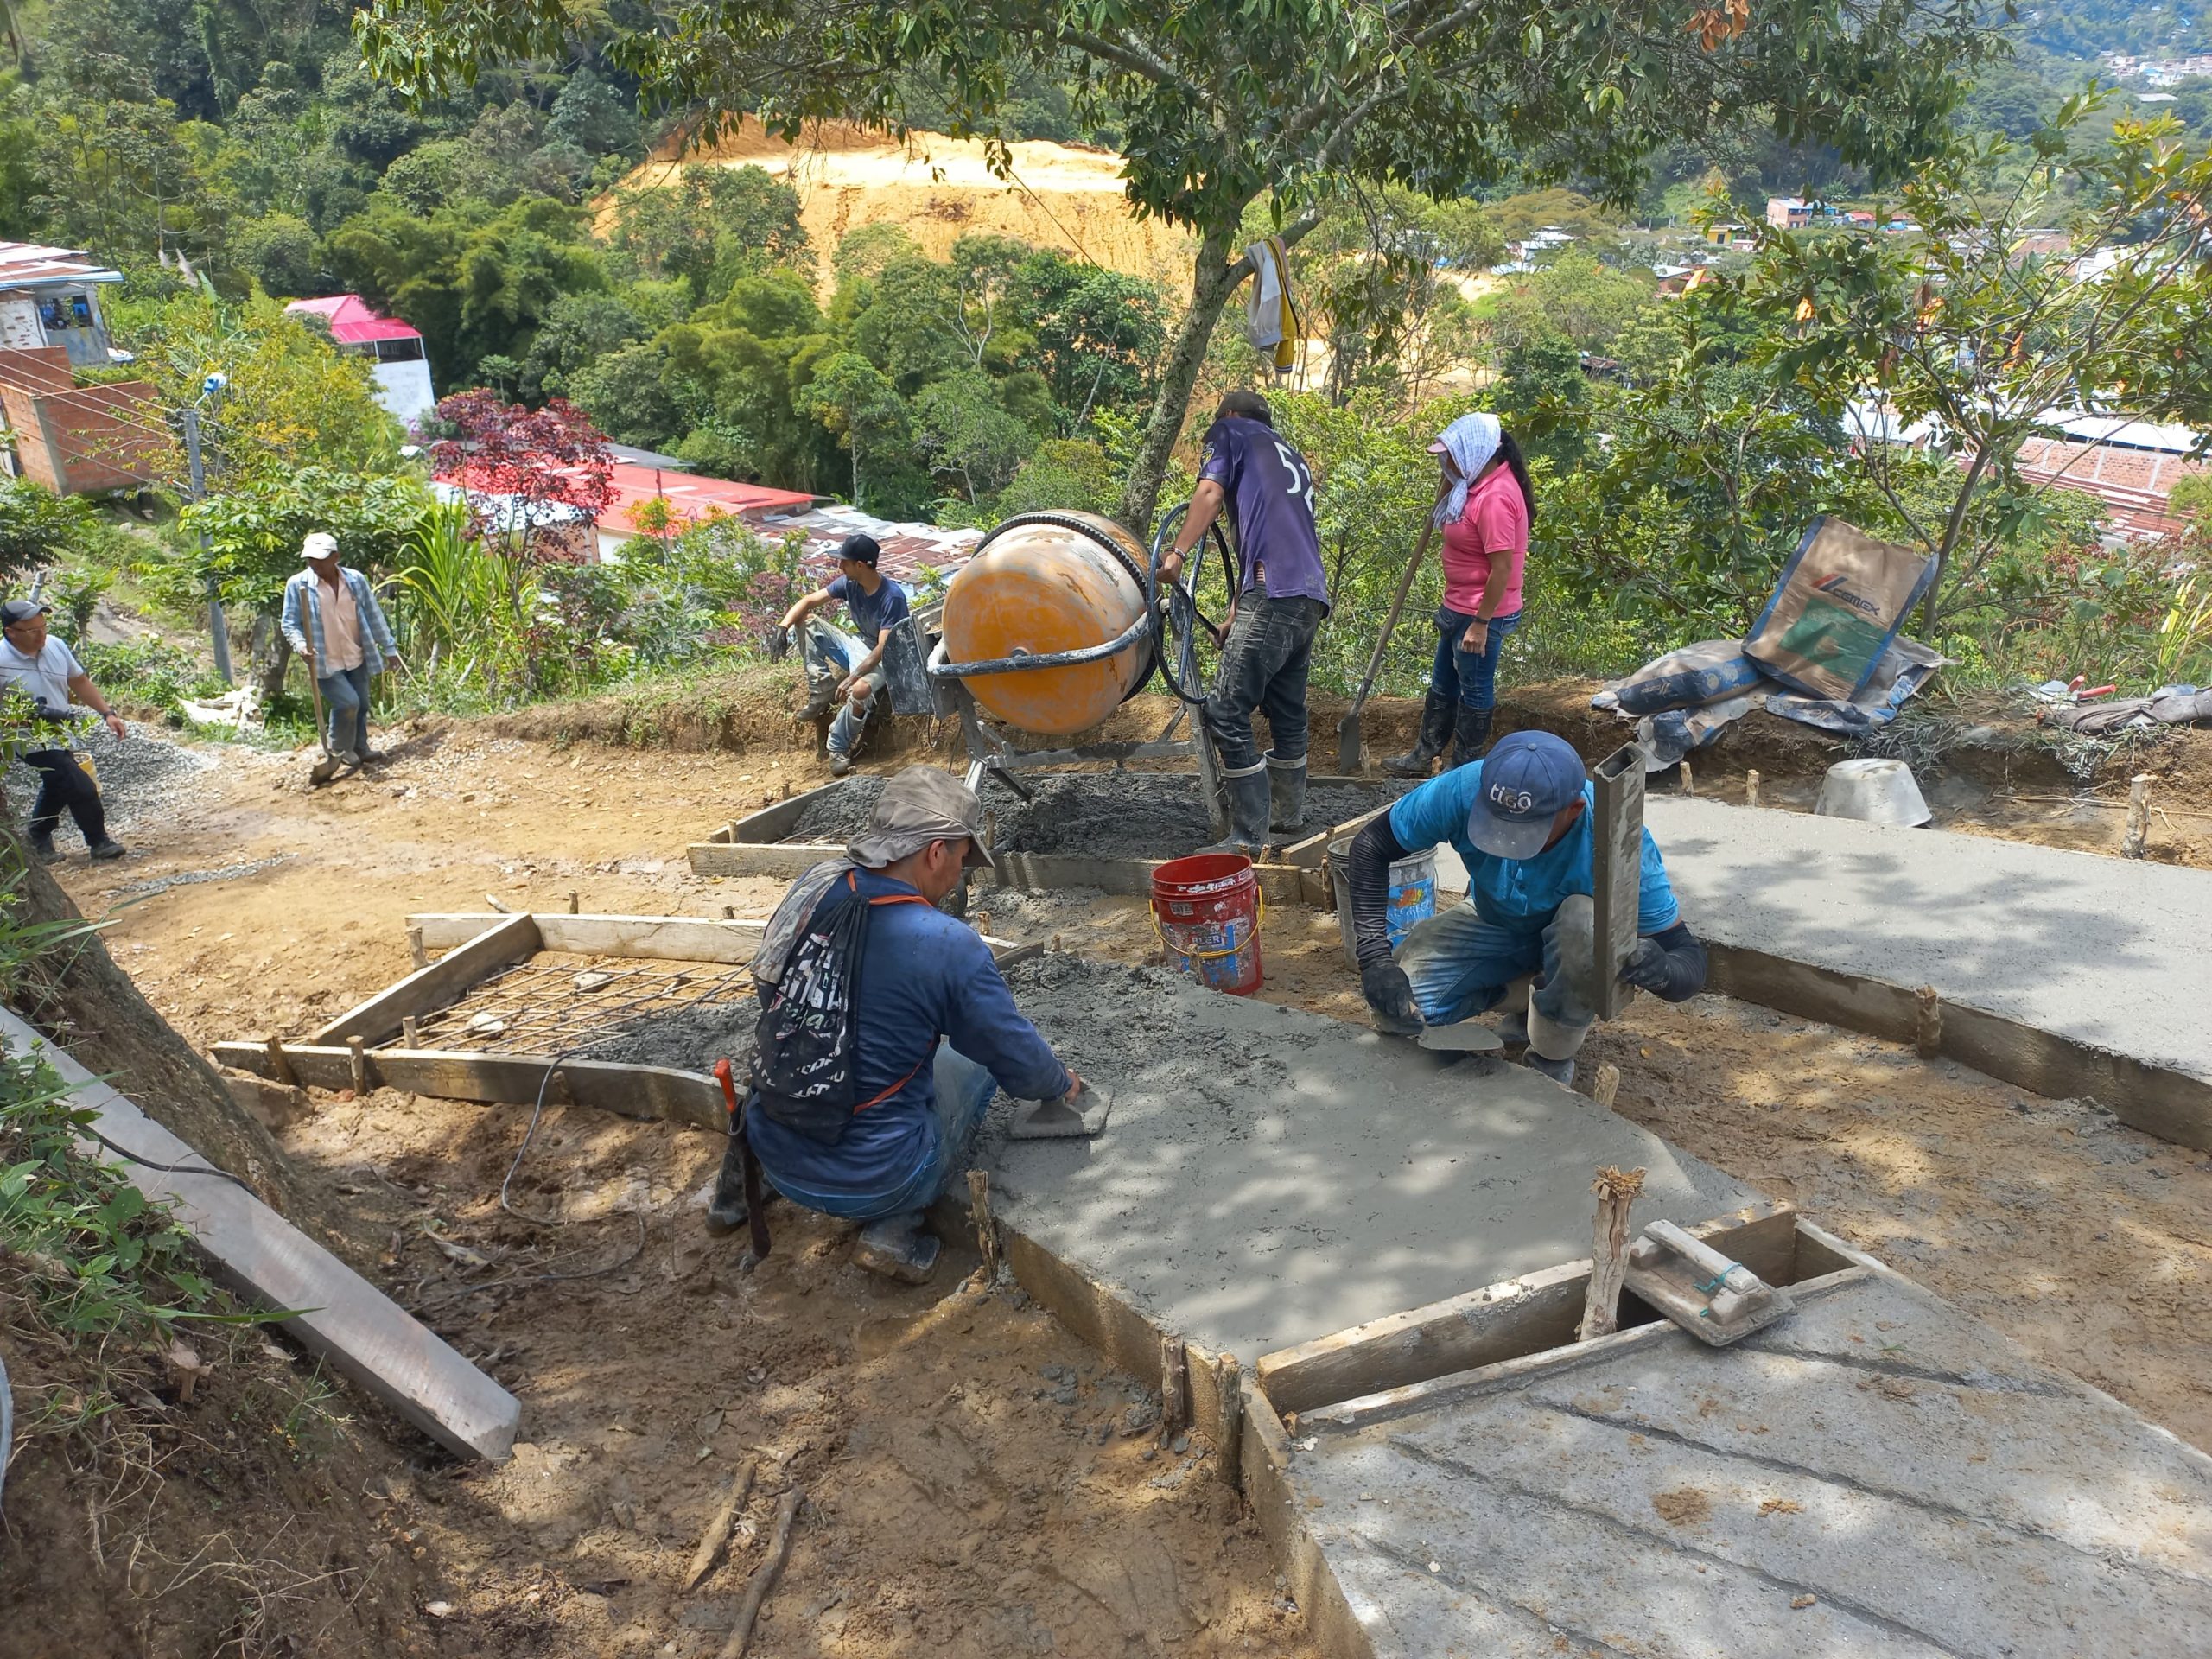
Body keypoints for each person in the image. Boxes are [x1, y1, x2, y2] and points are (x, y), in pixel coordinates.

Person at [721, 766, 1084, 1282]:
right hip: (876, 1180)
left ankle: (734, 1193)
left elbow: (771, 995)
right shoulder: (946, 943)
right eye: (961, 860)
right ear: (935, 852)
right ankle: (893, 1227)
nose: (961, 875)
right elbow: (1007, 1049)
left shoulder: (815, 887)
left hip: (774, 1150)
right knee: (972, 1059)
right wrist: (1058, 1082)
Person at [1349, 730, 1707, 1087]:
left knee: (1586, 926)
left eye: (1525, 834)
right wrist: (1375, 958)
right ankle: (1520, 994)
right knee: (1399, 1013)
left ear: (1573, 810)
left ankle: (1551, 1053)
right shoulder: (1462, 789)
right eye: (1497, 826)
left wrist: (1661, 970)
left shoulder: (1620, 843)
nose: (1506, 843)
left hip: (1573, 940)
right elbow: (1370, 847)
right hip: (1491, 920)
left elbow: (1687, 957)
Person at [1158, 390, 1332, 855]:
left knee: (1226, 709)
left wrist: (1177, 553)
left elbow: (1210, 492)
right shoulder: (1287, 455)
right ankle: (1287, 816)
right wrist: (1238, 609)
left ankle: (1247, 836)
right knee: (1287, 708)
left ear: (1231, 416)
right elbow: (1273, 535)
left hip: (1274, 593)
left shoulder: (1230, 431)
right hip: (1307, 595)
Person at [1386, 413, 1537, 778]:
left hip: (1482, 614)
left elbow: (1501, 569)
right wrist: (1454, 481)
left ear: (1476, 453)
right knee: (1442, 685)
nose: (1445, 462)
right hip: (1458, 605)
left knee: (1475, 690)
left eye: (1450, 456)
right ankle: (1425, 754)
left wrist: (1482, 624)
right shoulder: (1472, 486)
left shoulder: (1497, 497)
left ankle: (1463, 769)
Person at [0, 598, 128, 862]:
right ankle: (99, 841)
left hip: (59, 731)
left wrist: (107, 713)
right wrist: (15, 721)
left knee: (57, 784)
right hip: (25, 738)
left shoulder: (56, 646)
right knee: (79, 785)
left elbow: (79, 681)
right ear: (10, 632)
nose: (41, 636)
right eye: (32, 631)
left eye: (43, 627)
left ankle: (38, 839)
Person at [779, 533, 911, 778]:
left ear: (860, 565)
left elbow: (883, 648)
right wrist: (782, 628)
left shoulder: (892, 597)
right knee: (807, 621)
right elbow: (809, 601)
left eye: (844, 562)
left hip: (887, 658)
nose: (840, 566)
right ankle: (821, 689)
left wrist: (853, 677)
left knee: (860, 690)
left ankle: (837, 748)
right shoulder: (850, 584)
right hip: (859, 645)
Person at [280, 532, 399, 771]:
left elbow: (374, 614)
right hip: (324, 659)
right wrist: (301, 646)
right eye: (310, 559)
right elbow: (289, 623)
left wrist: (389, 648)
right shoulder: (299, 585)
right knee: (348, 703)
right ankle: (338, 749)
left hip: (355, 653)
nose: (314, 564)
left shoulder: (355, 581)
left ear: (336, 557)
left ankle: (360, 747)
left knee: (362, 704)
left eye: (320, 559)